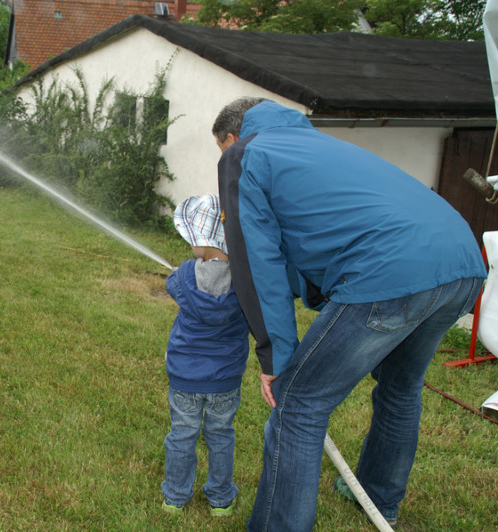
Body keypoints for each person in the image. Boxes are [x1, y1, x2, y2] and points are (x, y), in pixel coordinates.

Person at [212, 98, 487, 531]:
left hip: (391, 271)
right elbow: (315, 242)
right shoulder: (319, 146)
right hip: (463, 264)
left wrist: (276, 357)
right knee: (400, 387)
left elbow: (256, 260)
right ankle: (379, 497)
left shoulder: (245, 155)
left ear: (232, 139)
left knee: (299, 402)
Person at [161, 194, 250, 517]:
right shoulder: (245, 280)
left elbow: (173, 284)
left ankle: (175, 496)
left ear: (202, 239)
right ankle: (221, 499)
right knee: (221, 435)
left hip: (185, 378)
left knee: (182, 435)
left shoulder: (184, 275)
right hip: (224, 380)